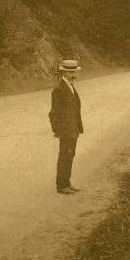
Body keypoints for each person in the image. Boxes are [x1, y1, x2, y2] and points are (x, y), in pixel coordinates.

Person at [48, 59, 84, 195]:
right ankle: (61, 186)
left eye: (75, 71)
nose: (74, 74)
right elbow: (53, 114)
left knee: (70, 155)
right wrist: (58, 131)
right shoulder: (59, 90)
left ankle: (67, 183)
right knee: (65, 156)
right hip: (66, 131)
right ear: (64, 72)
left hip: (73, 129)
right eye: (71, 72)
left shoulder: (71, 86)